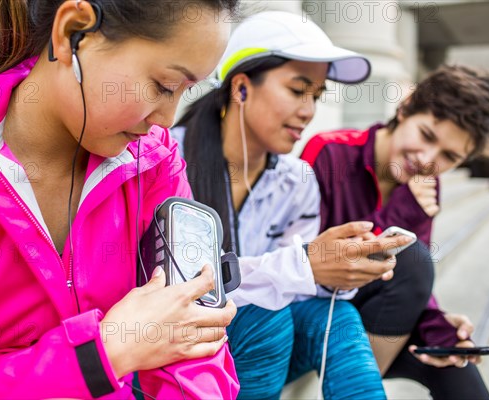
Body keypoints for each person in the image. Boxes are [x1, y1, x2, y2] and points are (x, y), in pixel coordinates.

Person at [0, 0, 242, 398]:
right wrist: (100, 355)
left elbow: (194, 343)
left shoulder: (154, 162)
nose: (167, 118)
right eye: (163, 86)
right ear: (72, 31)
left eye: (185, 91)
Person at [173, 11, 412, 400]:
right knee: (268, 318)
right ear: (241, 88)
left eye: (316, 96)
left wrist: (336, 269)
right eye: (297, 90)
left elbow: (290, 286)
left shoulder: (297, 179)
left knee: (336, 317)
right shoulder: (168, 158)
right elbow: (181, 288)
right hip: (176, 343)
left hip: (258, 345)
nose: (309, 111)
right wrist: (305, 264)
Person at [301, 64, 489, 399]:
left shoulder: (424, 185)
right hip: (318, 313)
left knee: (455, 365)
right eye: (427, 136)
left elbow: (410, 278)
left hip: (375, 317)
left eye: (449, 155)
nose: (428, 160)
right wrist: (400, 211)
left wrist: (439, 327)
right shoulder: (331, 152)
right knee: (414, 260)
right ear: (405, 109)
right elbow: (317, 262)